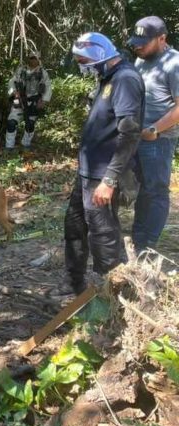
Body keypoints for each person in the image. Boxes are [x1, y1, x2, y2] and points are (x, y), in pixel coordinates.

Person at [66, 33, 144, 294]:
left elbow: (130, 132)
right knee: (75, 227)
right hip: (88, 173)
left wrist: (109, 180)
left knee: (103, 236)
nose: (82, 66)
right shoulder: (107, 78)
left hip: (104, 175)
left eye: (83, 60)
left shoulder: (125, 79)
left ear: (99, 55)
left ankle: (111, 296)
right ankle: (75, 286)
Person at [129, 16, 179, 253]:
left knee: (156, 190)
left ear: (162, 38)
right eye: (136, 41)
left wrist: (154, 129)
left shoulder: (174, 62)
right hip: (137, 137)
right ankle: (138, 239)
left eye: (143, 42)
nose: (137, 46)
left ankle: (149, 245)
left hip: (158, 140)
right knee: (140, 190)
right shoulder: (142, 60)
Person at [5, 51, 52, 149]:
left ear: (39, 60)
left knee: (30, 125)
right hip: (19, 99)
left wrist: (43, 101)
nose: (34, 60)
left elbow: (48, 87)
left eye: (36, 58)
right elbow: (11, 82)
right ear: (29, 59)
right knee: (11, 123)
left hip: (33, 101)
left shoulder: (43, 73)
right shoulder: (21, 70)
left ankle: (26, 145)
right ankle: (9, 147)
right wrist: (14, 92)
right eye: (32, 58)